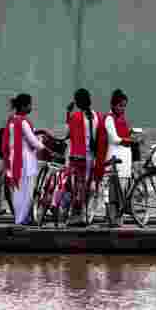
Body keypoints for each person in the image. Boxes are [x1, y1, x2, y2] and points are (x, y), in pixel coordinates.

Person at [2, 94, 49, 225]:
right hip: (25, 161)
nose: (31, 107)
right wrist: (46, 149)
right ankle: (22, 220)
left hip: (13, 160)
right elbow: (34, 143)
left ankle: (20, 218)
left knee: (17, 192)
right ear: (23, 106)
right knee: (27, 192)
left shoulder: (11, 120)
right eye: (29, 104)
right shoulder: (23, 122)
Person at [65, 88, 100, 225]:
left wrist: (68, 113)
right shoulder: (97, 116)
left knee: (76, 187)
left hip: (77, 157)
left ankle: (76, 215)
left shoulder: (75, 117)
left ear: (78, 103)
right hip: (91, 158)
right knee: (87, 185)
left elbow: (69, 133)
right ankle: (85, 214)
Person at [96, 89, 134, 208]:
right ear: (113, 105)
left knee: (122, 189)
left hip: (124, 158)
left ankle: (117, 217)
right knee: (113, 189)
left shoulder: (121, 118)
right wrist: (128, 140)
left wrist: (130, 133)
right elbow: (114, 138)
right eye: (120, 106)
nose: (122, 109)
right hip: (114, 157)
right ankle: (112, 216)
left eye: (124, 106)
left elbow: (123, 133)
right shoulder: (109, 118)